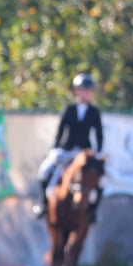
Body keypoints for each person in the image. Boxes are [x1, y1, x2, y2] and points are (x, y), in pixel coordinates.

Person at [33, 72, 104, 223]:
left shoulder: (94, 112)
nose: (88, 94)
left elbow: (98, 134)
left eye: (90, 91)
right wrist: (56, 148)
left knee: (100, 181)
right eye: (86, 90)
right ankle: (43, 204)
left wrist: (97, 153)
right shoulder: (69, 109)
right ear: (77, 91)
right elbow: (61, 130)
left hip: (84, 152)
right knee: (44, 171)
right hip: (66, 149)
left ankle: (93, 212)